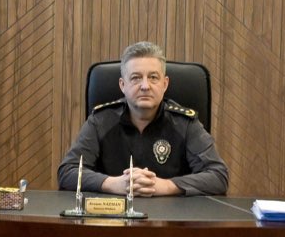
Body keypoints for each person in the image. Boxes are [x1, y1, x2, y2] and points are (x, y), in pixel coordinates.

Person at [57, 41, 229, 197]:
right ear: (122, 85)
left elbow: (218, 175)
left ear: (165, 84)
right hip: (113, 216)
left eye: (153, 77)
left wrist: (166, 186)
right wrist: (112, 184)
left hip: (171, 218)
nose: (145, 86)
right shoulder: (101, 121)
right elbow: (67, 171)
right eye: (136, 78)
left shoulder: (185, 123)